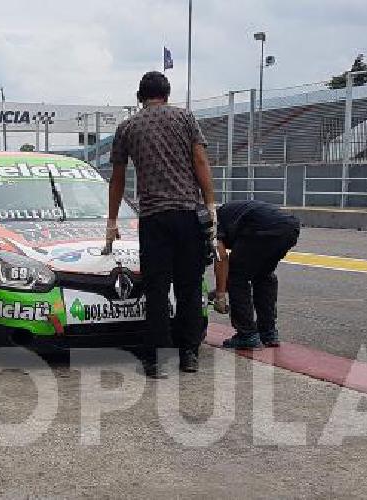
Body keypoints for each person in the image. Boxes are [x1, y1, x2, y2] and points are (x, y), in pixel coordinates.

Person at [106, 71, 217, 378]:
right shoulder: (185, 118)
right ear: (167, 94)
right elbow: (200, 162)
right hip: (187, 214)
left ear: (140, 97)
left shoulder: (128, 127)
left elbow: (117, 178)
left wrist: (112, 220)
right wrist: (209, 202)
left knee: (156, 289)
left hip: (153, 219)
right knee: (190, 287)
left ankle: (156, 359)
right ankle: (189, 354)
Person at [211, 199, 300, 349]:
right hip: (290, 227)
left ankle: (247, 334)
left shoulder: (211, 222)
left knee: (236, 277)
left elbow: (221, 257)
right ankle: (268, 332)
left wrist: (220, 294)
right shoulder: (229, 213)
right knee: (263, 276)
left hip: (262, 229)